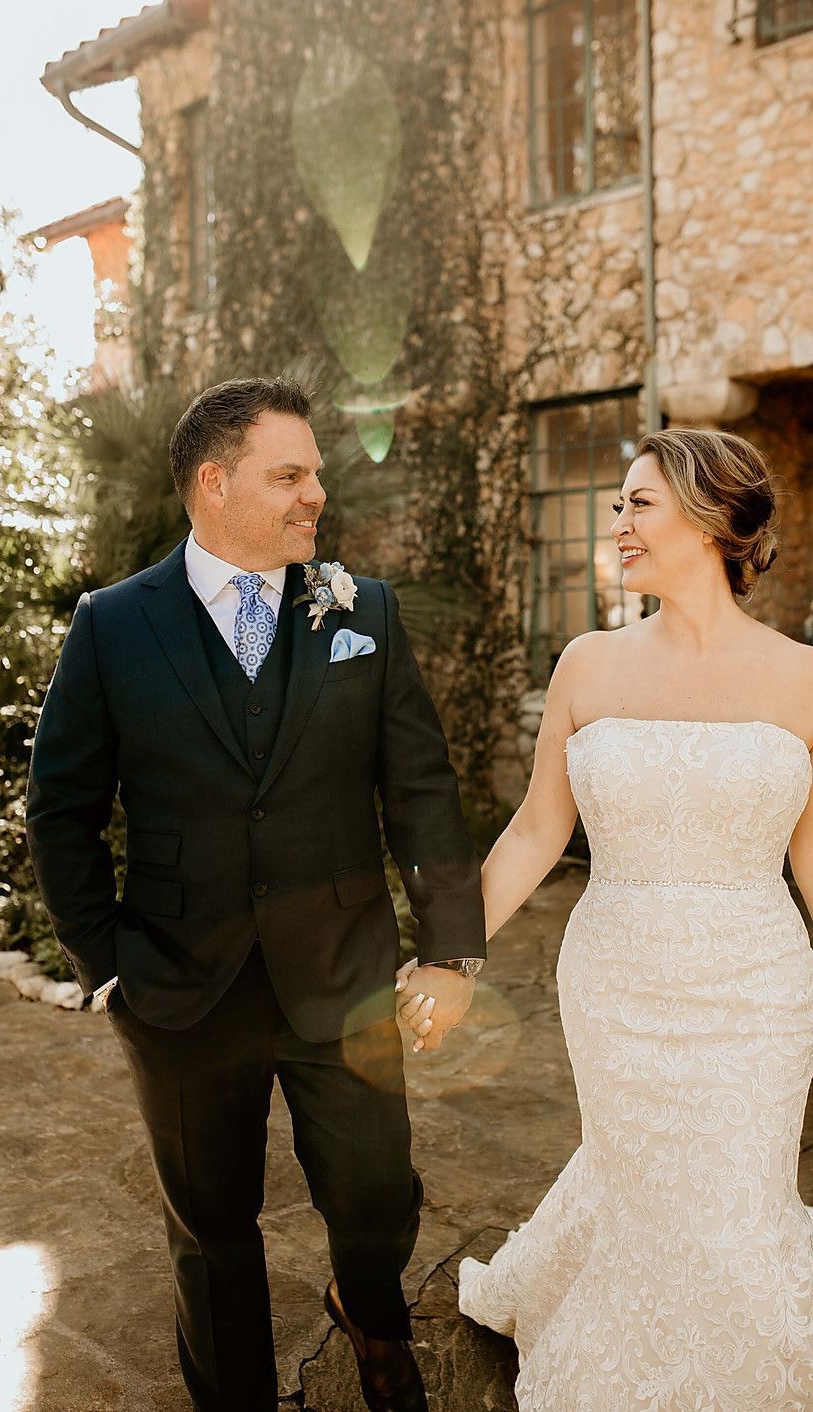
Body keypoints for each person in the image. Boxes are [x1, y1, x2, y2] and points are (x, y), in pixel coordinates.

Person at [26, 376, 487, 1412]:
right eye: (289, 475)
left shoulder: (362, 609)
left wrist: (450, 948)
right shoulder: (111, 624)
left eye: (314, 473)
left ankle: (369, 1311)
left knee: (376, 1200)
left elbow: (420, 787)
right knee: (211, 1229)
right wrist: (108, 966)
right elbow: (59, 809)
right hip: (180, 987)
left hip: (344, 972)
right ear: (214, 482)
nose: (316, 493)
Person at [398, 427, 813, 1408]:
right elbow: (535, 830)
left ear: (709, 518)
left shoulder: (802, 676)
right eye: (616, 503)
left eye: (638, 502)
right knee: (647, 1192)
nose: (616, 521)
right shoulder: (586, 664)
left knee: (736, 1200)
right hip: (616, 983)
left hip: (757, 991)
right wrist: (451, 956)